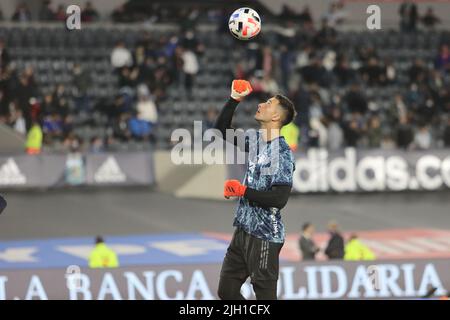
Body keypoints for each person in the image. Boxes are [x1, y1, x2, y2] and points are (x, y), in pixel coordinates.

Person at [215, 80, 296, 300]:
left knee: (265, 298)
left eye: (269, 103)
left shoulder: (283, 154)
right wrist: (234, 99)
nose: (262, 104)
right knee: (227, 292)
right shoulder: (257, 141)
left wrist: (243, 191)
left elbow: (279, 198)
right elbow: (221, 130)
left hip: (265, 236)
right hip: (242, 230)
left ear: (276, 117)